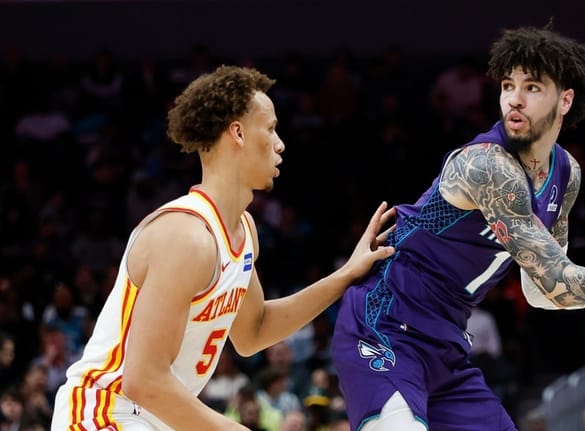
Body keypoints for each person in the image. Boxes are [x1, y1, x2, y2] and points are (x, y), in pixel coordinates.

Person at [329, 23, 585, 431]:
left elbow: (543, 293)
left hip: (445, 343)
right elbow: (560, 282)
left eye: (532, 87)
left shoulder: (566, 173)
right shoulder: (487, 165)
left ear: (565, 99)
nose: (514, 99)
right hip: (383, 325)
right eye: (507, 86)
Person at [50, 65, 395, 431]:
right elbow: (144, 380)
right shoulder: (186, 237)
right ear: (238, 133)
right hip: (102, 415)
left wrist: (345, 275)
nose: (280, 144)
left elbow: (254, 331)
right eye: (271, 128)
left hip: (152, 418)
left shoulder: (243, 230)